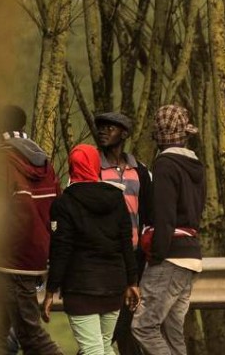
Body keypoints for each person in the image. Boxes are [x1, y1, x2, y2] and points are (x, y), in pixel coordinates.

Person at [42, 144, 140, 355]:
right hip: (114, 285)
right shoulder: (116, 198)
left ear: (72, 167)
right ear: (96, 167)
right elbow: (126, 242)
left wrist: (51, 290)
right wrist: (132, 281)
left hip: (81, 288)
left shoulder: (64, 203)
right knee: (103, 346)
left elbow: (61, 249)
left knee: (93, 350)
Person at [131, 105, 207, 355]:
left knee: (144, 327)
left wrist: (156, 255)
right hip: (191, 256)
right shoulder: (196, 166)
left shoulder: (165, 165)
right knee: (173, 332)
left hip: (170, 255)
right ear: (185, 134)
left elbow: (165, 217)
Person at [0, 106, 64, 355]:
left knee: (30, 336)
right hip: (34, 256)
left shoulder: (1, 161)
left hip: (10, 259)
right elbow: (58, 208)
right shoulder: (44, 162)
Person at [95, 111, 151, 355]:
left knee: (126, 321)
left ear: (124, 134)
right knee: (114, 322)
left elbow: (149, 213)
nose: (104, 131)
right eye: (102, 127)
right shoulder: (93, 168)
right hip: (105, 255)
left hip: (134, 255)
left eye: (111, 128)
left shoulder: (139, 170)